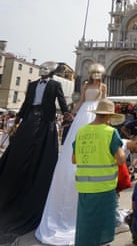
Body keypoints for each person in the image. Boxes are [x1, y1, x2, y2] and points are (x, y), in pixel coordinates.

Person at [35, 62, 107, 245]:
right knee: (76, 141)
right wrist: (71, 114)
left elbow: (104, 102)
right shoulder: (85, 85)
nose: (97, 77)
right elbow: (81, 101)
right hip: (84, 113)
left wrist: (105, 117)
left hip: (94, 113)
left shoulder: (103, 87)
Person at [0, 61, 69, 244]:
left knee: (43, 147)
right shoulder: (32, 85)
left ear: (52, 73)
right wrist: (18, 120)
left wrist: (68, 115)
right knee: (21, 145)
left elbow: (61, 101)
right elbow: (26, 103)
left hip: (46, 119)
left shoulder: (55, 85)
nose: (45, 72)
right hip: (30, 116)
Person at [72, 98, 126, 246]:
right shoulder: (110, 132)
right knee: (102, 224)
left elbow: (74, 159)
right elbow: (121, 159)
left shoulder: (81, 131)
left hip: (84, 186)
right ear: (109, 116)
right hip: (104, 186)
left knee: (85, 222)